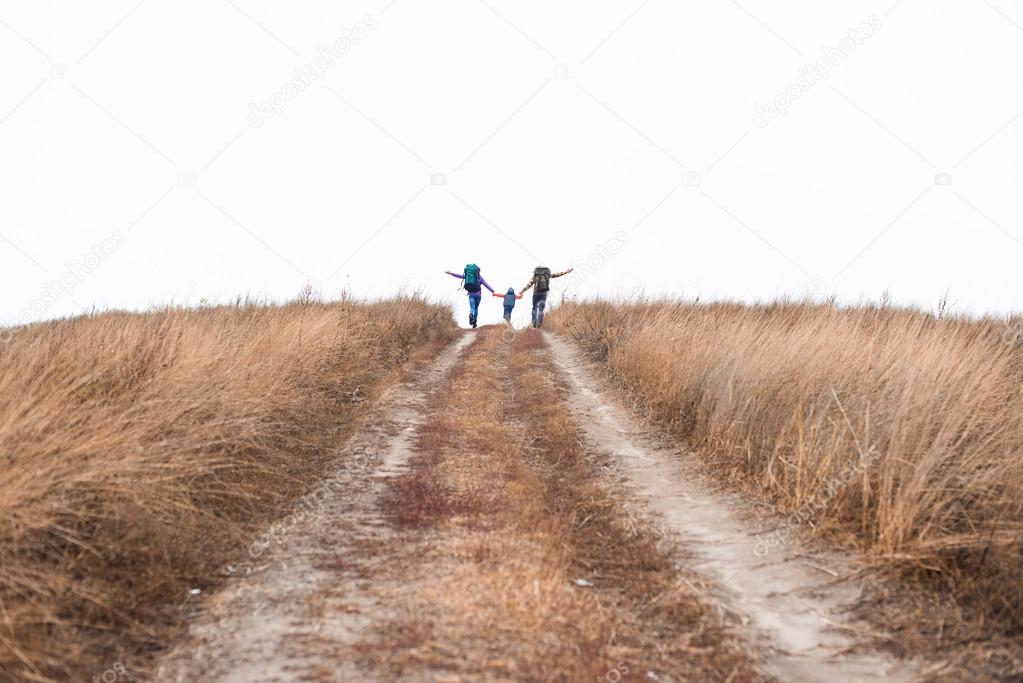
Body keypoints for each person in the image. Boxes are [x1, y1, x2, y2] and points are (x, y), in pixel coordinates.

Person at [445, 264, 495, 328]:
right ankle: (474, 322)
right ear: (478, 271)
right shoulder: (480, 277)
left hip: (471, 295)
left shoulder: (468, 276)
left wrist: (450, 273)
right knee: (476, 308)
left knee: (472, 307)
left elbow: (459, 276)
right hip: (478, 295)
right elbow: (486, 285)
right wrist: (492, 291)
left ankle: (471, 314)